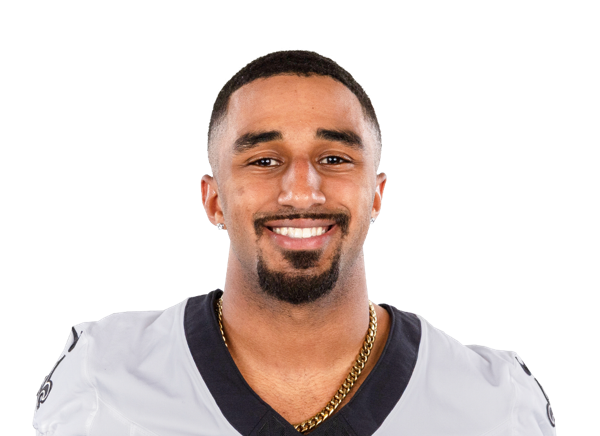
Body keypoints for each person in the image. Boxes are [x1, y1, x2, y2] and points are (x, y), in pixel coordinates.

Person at [33, 50, 556, 435]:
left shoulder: (493, 405)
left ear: (376, 196)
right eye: (264, 160)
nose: (302, 190)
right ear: (213, 201)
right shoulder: (103, 379)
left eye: (334, 158)